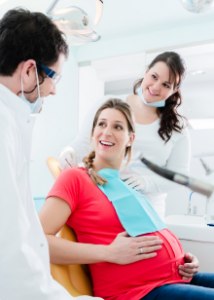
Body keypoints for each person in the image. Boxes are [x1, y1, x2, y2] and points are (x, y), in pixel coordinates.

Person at [38, 99, 209, 300]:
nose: (107, 132)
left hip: (178, 277)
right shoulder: (76, 177)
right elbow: (38, 241)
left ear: (130, 138)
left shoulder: (126, 187)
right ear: (93, 133)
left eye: (117, 126)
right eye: (101, 124)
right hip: (136, 291)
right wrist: (108, 252)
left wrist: (183, 260)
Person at [0, 8, 102, 300]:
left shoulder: (12, 119)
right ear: (30, 70)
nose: (54, 91)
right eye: (54, 77)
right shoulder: (3, 125)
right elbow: (8, 252)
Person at [58, 51, 191, 220]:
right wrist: (68, 151)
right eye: (154, 77)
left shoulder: (177, 128)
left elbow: (180, 177)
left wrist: (146, 182)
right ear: (146, 72)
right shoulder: (109, 104)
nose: (156, 87)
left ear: (174, 90)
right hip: (102, 205)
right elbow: (84, 142)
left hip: (147, 215)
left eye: (166, 85)